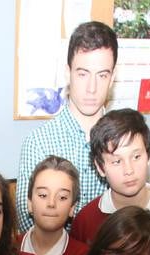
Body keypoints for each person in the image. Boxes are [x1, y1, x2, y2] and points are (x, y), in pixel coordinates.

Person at [16, 21, 118, 232]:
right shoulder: (39, 142)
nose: (92, 88)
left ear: (113, 77)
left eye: (102, 75)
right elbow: (28, 222)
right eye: (83, 74)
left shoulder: (123, 142)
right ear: (67, 73)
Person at [70, 109, 150, 244]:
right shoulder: (85, 221)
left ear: (148, 156)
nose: (129, 170)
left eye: (136, 157)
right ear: (100, 167)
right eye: (117, 161)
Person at [21, 155, 90, 255]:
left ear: (72, 207)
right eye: (43, 195)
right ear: (30, 203)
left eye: (62, 197)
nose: (51, 203)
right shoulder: (8, 250)